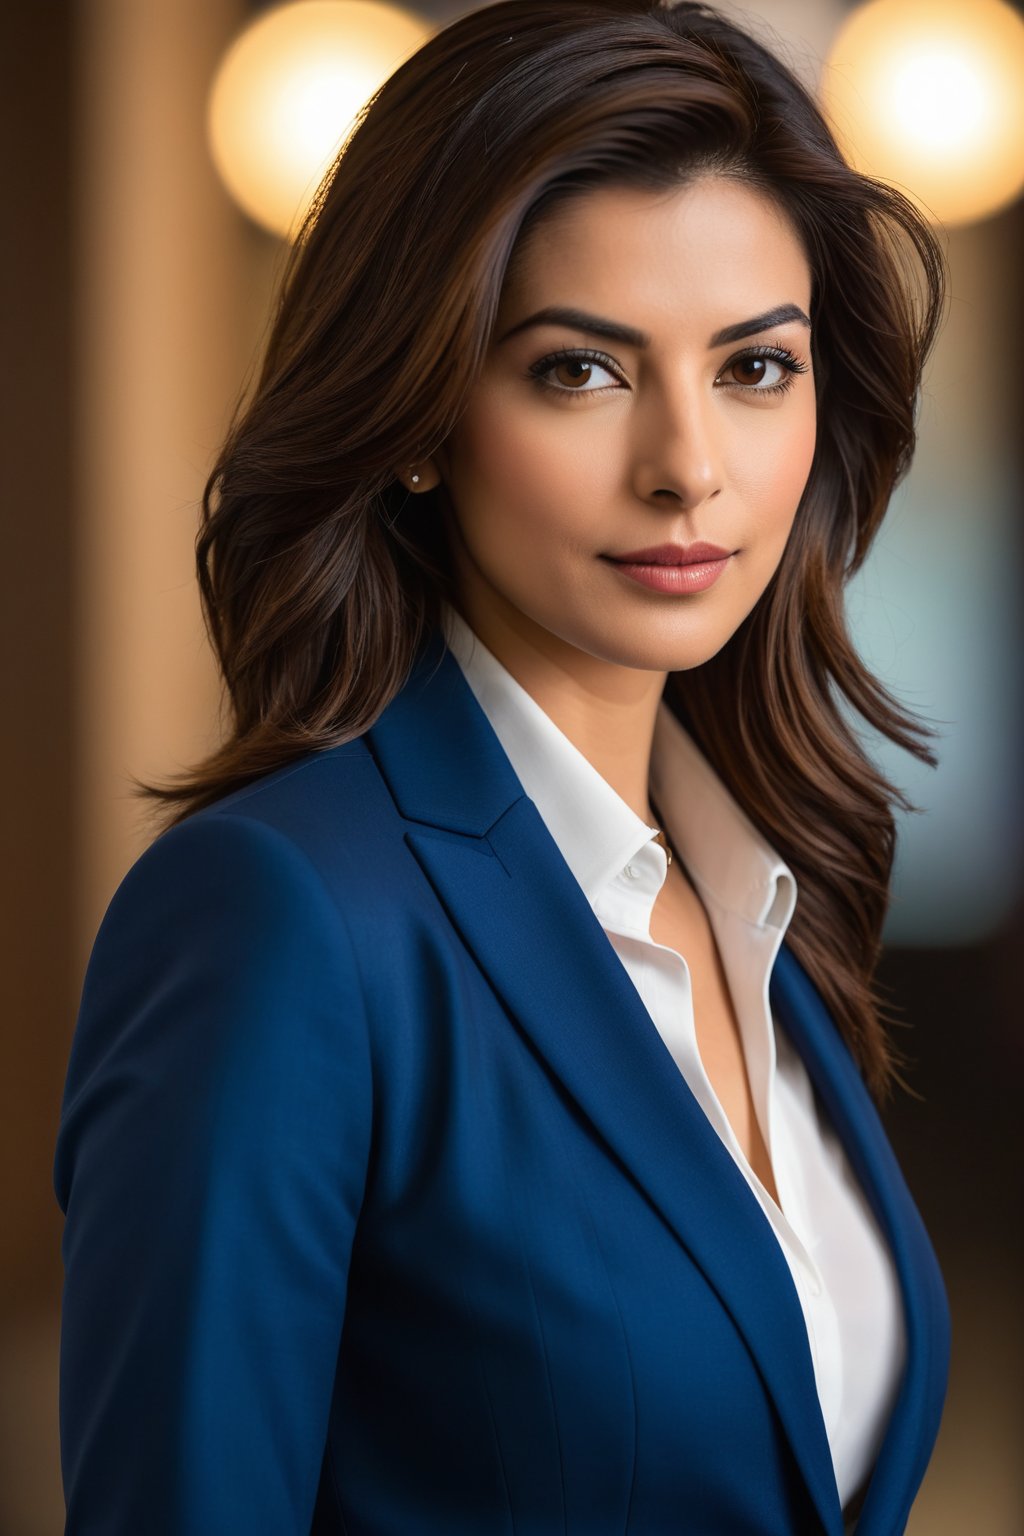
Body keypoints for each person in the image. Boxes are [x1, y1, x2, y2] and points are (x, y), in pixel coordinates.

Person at [53, 2, 951, 1531]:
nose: (689, 465)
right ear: (420, 416)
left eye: (755, 368)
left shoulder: (762, 892)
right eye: (581, 373)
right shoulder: (278, 918)